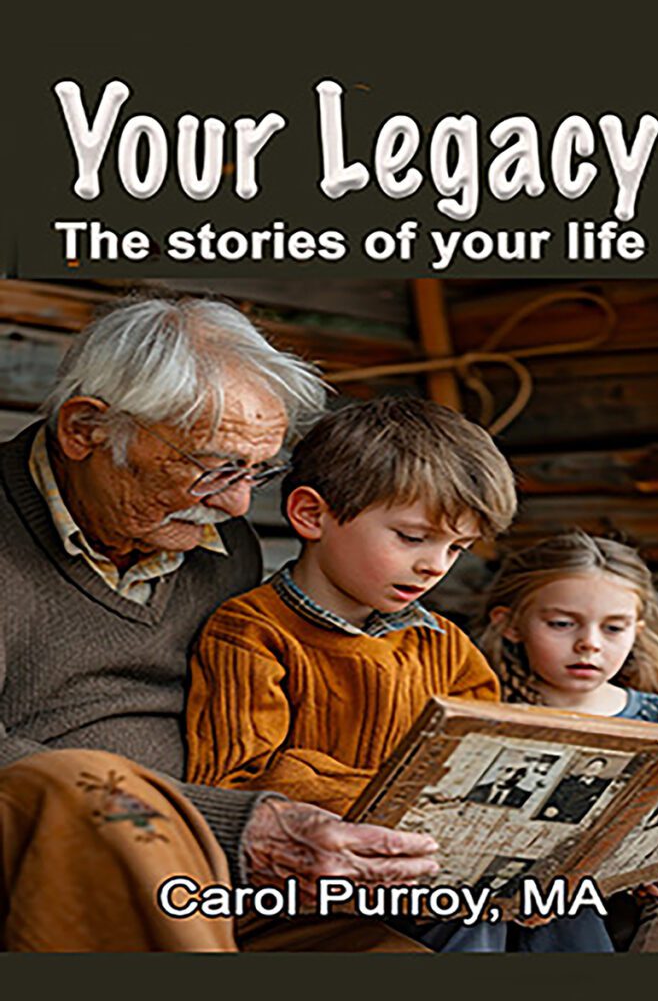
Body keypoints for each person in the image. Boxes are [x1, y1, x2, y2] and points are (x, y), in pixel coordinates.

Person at [0, 297, 443, 953]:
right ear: (85, 429)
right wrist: (230, 829)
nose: (237, 503)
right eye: (215, 468)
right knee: (82, 783)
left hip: (209, 869)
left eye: (258, 471)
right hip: (55, 863)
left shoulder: (222, 547)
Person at [185, 396, 519, 951]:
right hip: (305, 883)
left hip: (428, 863)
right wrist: (402, 805)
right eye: (412, 537)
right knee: (468, 910)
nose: (435, 564)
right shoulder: (251, 632)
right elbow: (237, 781)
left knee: (558, 900)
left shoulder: (446, 647)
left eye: (456, 548)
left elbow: (488, 759)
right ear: (312, 515)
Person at [479, 529, 658, 952]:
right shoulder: (480, 718)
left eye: (614, 627)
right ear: (510, 624)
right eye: (562, 624)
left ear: (636, 630)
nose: (589, 642)